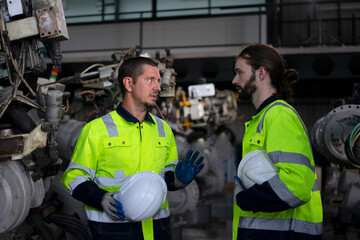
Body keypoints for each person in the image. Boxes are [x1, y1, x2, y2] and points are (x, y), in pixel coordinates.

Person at [61, 57, 205, 240]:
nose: (158, 88)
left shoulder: (163, 130)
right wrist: (101, 198)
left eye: (159, 81)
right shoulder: (97, 129)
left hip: (158, 230)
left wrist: (179, 181)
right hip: (114, 231)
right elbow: (74, 177)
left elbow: (165, 178)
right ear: (129, 83)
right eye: (150, 80)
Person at [231, 44, 323, 240]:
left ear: (261, 72)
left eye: (240, 72)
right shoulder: (262, 118)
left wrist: (247, 199)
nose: (234, 80)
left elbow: (296, 183)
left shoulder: (279, 115)